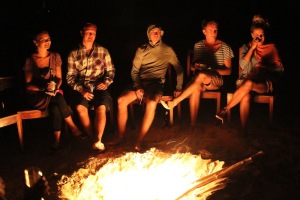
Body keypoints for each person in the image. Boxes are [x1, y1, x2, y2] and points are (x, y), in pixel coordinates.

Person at [109, 24, 183, 151]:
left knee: (152, 102)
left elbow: (179, 68)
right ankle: (120, 136)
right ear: (148, 34)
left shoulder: (167, 50)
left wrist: (179, 86)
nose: (156, 33)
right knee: (121, 100)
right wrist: (137, 86)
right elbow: (134, 71)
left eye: (158, 32)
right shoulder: (141, 49)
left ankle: (139, 140)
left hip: (156, 84)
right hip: (141, 82)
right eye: (153, 32)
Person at [215, 15, 284, 135]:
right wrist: (252, 49)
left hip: (264, 83)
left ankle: (225, 109)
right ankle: (244, 130)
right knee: (246, 96)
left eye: (262, 35)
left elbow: (279, 69)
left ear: (265, 35)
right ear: (252, 35)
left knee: (250, 83)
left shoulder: (271, 48)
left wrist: (264, 66)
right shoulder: (246, 47)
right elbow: (243, 65)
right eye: (256, 35)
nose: (259, 38)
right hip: (247, 81)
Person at [23, 30, 84, 151]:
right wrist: (43, 88)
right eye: (43, 40)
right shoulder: (30, 60)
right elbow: (28, 85)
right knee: (59, 98)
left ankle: (56, 142)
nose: (47, 42)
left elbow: (59, 79)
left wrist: (55, 87)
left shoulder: (55, 56)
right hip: (37, 95)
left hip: (52, 93)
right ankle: (74, 129)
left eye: (48, 39)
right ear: (35, 43)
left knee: (56, 107)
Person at [166, 19, 234, 128]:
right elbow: (193, 67)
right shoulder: (198, 46)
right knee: (196, 87)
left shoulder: (225, 47)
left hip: (216, 80)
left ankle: (175, 102)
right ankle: (193, 125)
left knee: (201, 75)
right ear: (204, 31)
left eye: (215, 30)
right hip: (200, 79)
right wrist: (195, 65)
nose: (213, 33)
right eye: (210, 30)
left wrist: (211, 69)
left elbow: (229, 71)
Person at [66, 22, 115, 152]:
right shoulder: (74, 53)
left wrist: (106, 82)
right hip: (82, 87)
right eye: (88, 32)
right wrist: (82, 90)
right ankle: (94, 138)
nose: (90, 35)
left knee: (101, 107)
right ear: (81, 33)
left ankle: (97, 139)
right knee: (80, 108)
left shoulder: (103, 51)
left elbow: (111, 71)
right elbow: (70, 77)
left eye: (93, 33)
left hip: (99, 85)